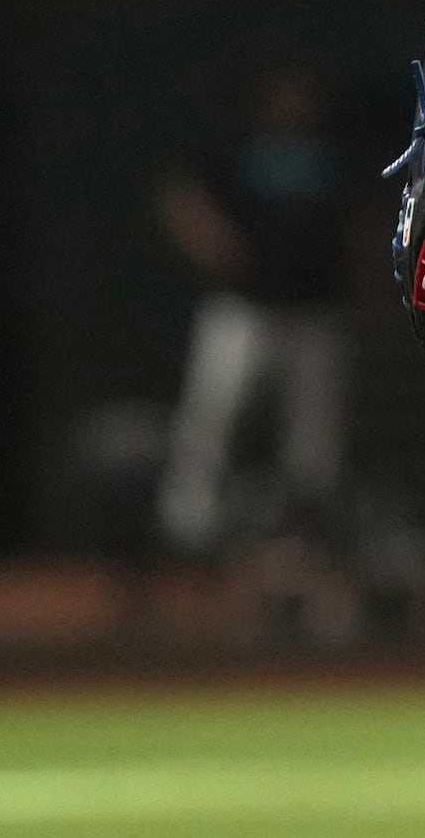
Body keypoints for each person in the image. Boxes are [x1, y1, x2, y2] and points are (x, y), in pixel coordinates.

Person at [155, 63, 355, 556]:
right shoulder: (237, 142)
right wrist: (210, 241)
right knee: (210, 419)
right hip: (241, 307)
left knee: (314, 442)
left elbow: (368, 217)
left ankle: (303, 536)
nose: (293, 100)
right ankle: (187, 529)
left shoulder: (333, 150)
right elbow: (179, 190)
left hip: (313, 310)